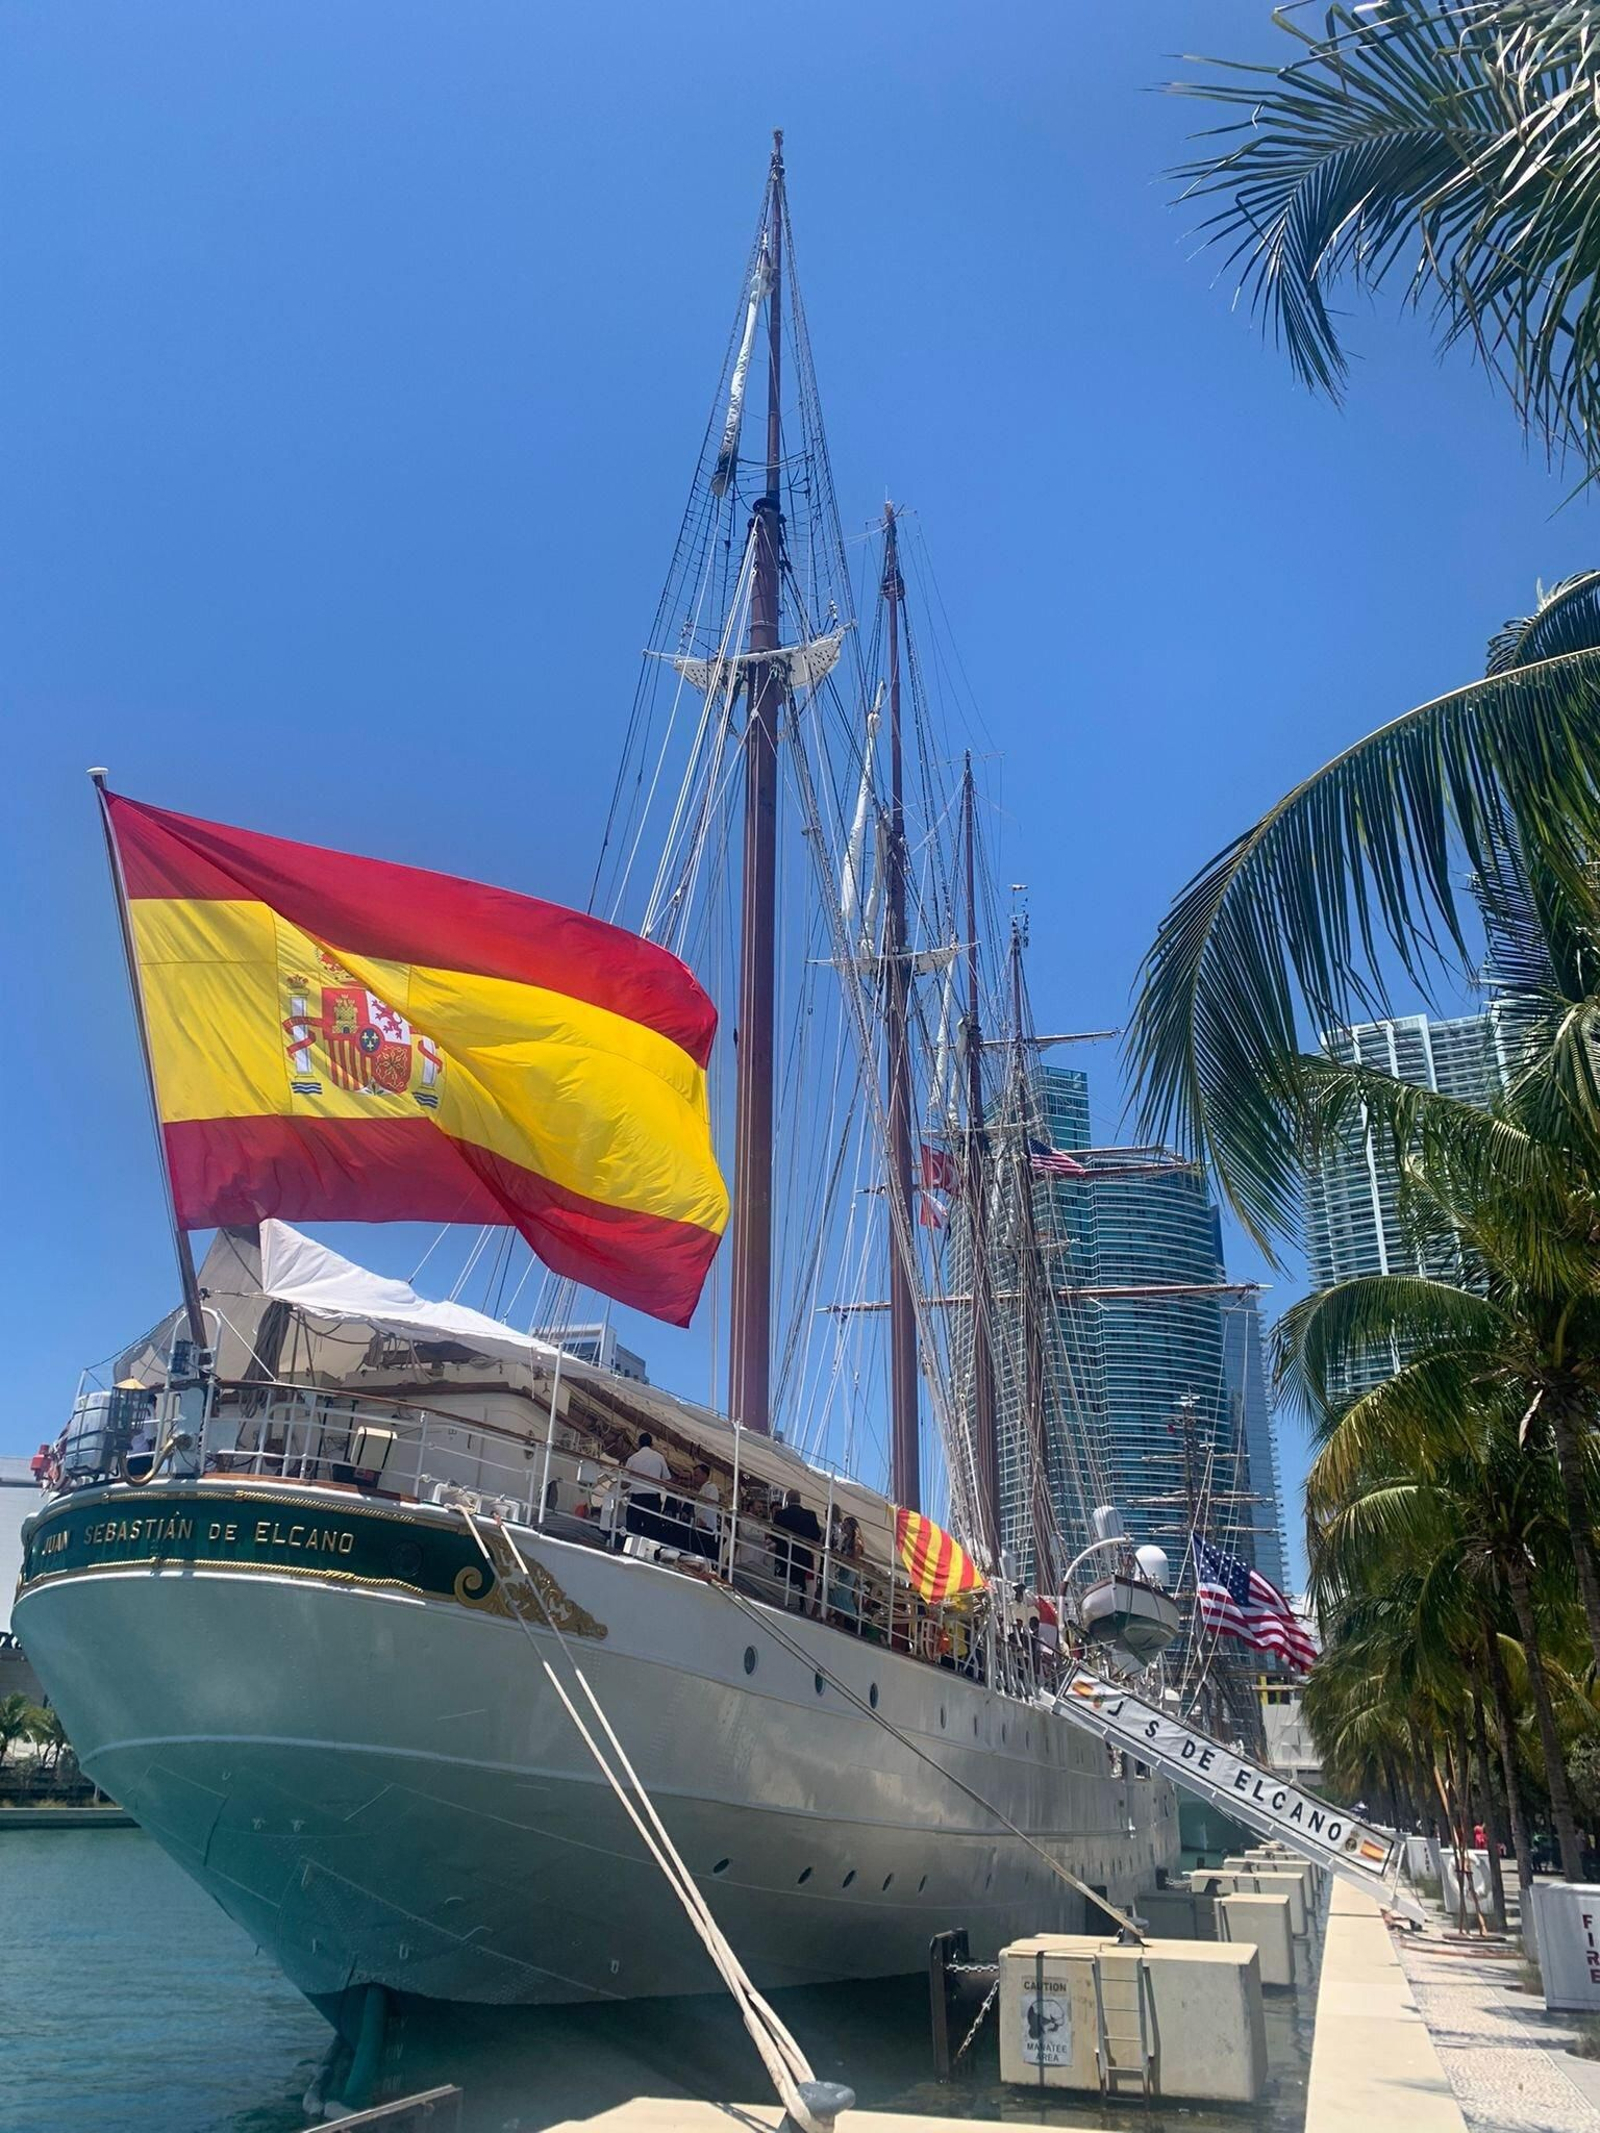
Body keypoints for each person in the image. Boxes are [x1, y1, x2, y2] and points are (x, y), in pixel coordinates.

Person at [771, 1487, 823, 1611]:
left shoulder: (781, 1514)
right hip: (803, 1557)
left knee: (783, 1582)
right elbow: (816, 1536)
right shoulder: (810, 1516)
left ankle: (783, 1604)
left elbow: (774, 1536)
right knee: (801, 1585)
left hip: (784, 1555)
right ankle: (799, 1607)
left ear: (787, 1500)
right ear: (800, 1500)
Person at [621, 1431, 672, 1548]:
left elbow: (624, 1483)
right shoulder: (659, 1458)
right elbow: (667, 1479)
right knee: (651, 1530)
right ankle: (648, 1554)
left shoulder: (632, 1458)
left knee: (633, 1529)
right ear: (651, 1444)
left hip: (636, 1498)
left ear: (638, 1444)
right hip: (653, 1499)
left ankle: (631, 1551)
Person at [691, 1460, 722, 1561]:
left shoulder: (711, 1487)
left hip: (706, 1525)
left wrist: (704, 1520)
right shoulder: (702, 1489)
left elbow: (710, 1506)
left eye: (697, 1475)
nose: (694, 1478)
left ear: (705, 1475)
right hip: (700, 1524)